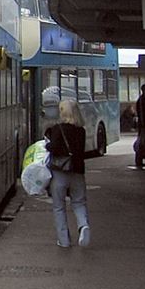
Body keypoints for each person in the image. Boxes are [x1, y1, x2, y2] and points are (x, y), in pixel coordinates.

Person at [45, 99, 90, 248]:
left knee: (59, 206)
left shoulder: (58, 129)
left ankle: (63, 240)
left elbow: (53, 148)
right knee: (79, 202)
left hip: (60, 172)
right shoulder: (81, 131)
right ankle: (83, 226)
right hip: (77, 171)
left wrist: (48, 145)